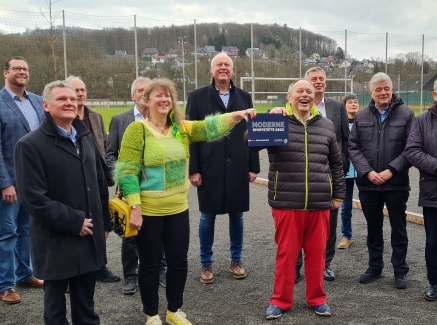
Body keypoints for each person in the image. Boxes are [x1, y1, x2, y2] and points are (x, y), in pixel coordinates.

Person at [115, 78, 256, 325]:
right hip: (148, 210)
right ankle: (152, 314)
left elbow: (208, 127)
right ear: (145, 101)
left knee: (178, 262)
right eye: (158, 95)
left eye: (167, 95)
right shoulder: (137, 130)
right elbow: (127, 171)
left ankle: (174, 310)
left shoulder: (180, 127)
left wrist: (237, 115)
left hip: (178, 209)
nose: (164, 99)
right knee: (148, 264)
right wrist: (135, 207)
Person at [14, 80, 111, 324]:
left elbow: (99, 183)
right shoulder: (29, 145)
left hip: (89, 235)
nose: (69, 102)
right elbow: (33, 199)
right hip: (55, 240)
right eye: (61, 99)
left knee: (86, 307)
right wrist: (75, 221)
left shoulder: (85, 137)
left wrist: (104, 223)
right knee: (55, 310)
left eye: (72, 98)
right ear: (46, 105)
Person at [253, 79, 345, 320]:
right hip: (286, 201)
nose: (305, 95)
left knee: (317, 254)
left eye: (309, 91)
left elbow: (336, 163)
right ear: (289, 96)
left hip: (319, 202)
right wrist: (268, 117)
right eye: (300, 91)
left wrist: (339, 194)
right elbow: (249, 144)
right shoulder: (277, 122)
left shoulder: (326, 126)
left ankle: (317, 298)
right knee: (287, 254)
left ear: (314, 97)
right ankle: (280, 301)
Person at [186, 52, 260, 284]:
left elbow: (253, 134)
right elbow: (192, 135)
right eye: (219, 64)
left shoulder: (244, 96)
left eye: (227, 64)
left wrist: (253, 165)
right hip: (209, 166)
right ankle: (206, 264)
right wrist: (194, 169)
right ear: (211, 70)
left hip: (238, 165)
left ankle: (236, 260)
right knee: (207, 216)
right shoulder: (197, 97)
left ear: (232, 70)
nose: (223, 68)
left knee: (237, 215)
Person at [349, 72, 414, 289]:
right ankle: (375, 267)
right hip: (368, 185)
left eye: (386, 88)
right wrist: (367, 172)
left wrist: (391, 171)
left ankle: (400, 270)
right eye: (378, 89)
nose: (383, 93)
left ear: (392, 90)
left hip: (396, 183)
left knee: (399, 227)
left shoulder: (406, 114)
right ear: (371, 93)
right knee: (373, 227)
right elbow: (354, 147)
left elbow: (411, 149)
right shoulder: (361, 116)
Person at [106, 77, 167, 295]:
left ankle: (161, 270)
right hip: (130, 189)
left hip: (157, 188)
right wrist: (125, 175)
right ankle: (130, 276)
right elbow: (111, 154)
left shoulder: (164, 120)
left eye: (148, 90)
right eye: (140, 90)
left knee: (159, 232)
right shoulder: (120, 120)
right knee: (130, 233)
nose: (144, 94)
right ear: (133, 95)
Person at [295, 66, 349, 282]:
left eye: (320, 79)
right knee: (298, 226)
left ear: (325, 83)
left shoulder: (337, 107)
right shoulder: (291, 107)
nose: (317, 82)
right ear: (305, 84)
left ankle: (324, 265)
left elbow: (346, 139)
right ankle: (296, 267)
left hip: (328, 178)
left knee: (329, 224)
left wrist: (341, 165)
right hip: (301, 178)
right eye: (313, 79)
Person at [66, 75, 120, 283]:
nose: (79, 94)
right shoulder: (65, 117)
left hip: (96, 177)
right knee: (76, 221)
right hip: (74, 179)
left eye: (82, 90)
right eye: (75, 90)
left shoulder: (95, 117)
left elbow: (104, 145)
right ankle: (73, 272)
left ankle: (99, 265)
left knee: (99, 220)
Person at [0, 56, 44, 304]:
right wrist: (4, 182)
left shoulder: (37, 101)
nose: (22, 72)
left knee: (27, 231)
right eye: (16, 68)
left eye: (25, 69)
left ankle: (25, 274)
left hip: (33, 182)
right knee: (7, 234)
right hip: (10, 183)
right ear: (6, 73)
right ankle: (5, 285)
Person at [405, 80, 437, 301]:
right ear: (435, 95)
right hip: (433, 193)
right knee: (434, 242)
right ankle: (435, 282)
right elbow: (412, 151)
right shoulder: (423, 120)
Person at [338, 94, 359, 249]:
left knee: (369, 204)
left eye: (355, 102)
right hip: (346, 170)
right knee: (346, 205)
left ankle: (373, 238)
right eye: (350, 102)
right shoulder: (341, 123)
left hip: (363, 170)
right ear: (344, 106)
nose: (353, 104)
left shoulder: (365, 121)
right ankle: (346, 236)